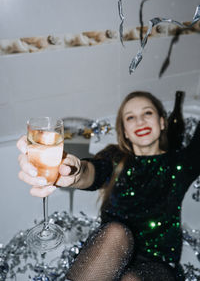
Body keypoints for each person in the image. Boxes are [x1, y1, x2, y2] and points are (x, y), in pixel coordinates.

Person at [17, 91, 200, 281]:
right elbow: (91, 172)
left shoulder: (180, 163)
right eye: (130, 117)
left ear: (162, 122)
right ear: (125, 132)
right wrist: (76, 172)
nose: (140, 121)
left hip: (158, 262)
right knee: (116, 231)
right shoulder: (115, 158)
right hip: (110, 250)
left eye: (147, 113)